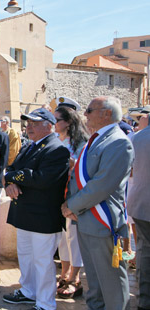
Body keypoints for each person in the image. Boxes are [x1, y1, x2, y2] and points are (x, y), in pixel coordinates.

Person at [62, 96, 133, 310]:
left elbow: (101, 186)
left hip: (102, 222)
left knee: (110, 282)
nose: (85, 114)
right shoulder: (96, 139)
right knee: (93, 281)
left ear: (106, 113)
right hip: (85, 219)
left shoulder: (118, 142)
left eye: (90, 110)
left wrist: (71, 205)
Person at [2, 108, 70, 310]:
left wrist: (14, 177)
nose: (29, 126)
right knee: (26, 256)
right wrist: (9, 183)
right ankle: (28, 291)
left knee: (42, 261)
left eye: (34, 123)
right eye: (28, 123)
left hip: (43, 216)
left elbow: (42, 179)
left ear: (49, 125)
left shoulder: (57, 149)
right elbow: (11, 169)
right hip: (24, 212)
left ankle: (46, 303)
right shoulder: (29, 146)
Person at [53, 105, 89, 299]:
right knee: (63, 239)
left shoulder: (81, 143)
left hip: (73, 196)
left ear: (68, 122)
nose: (54, 123)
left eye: (57, 120)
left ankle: (75, 278)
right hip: (59, 196)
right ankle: (65, 272)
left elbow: (84, 172)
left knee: (74, 238)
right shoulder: (58, 140)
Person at [127, 107, 150, 310]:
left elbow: (130, 169)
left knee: (144, 253)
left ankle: (144, 301)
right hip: (142, 204)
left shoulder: (137, 138)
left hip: (142, 203)